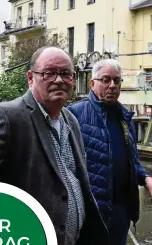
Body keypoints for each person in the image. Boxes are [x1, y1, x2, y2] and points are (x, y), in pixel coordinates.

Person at [0, 47, 109, 245]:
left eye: (65, 74)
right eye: (49, 73)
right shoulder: (9, 117)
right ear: (31, 77)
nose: (58, 80)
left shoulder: (71, 120)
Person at [67, 59, 152, 245]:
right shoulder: (74, 115)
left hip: (121, 213)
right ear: (92, 83)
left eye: (116, 80)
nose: (112, 86)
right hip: (91, 215)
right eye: (105, 80)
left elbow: (132, 162)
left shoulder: (125, 118)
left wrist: (147, 179)